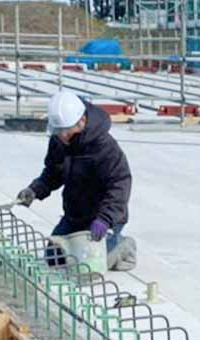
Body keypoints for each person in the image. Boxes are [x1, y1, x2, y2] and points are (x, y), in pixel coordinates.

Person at [16, 90, 135, 271]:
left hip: (102, 220)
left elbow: (120, 185)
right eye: (58, 131)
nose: (62, 136)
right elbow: (53, 173)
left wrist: (105, 219)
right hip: (75, 216)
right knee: (54, 259)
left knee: (87, 267)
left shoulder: (104, 147)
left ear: (81, 122)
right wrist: (34, 190)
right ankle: (96, 246)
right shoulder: (59, 140)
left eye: (66, 131)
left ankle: (120, 246)